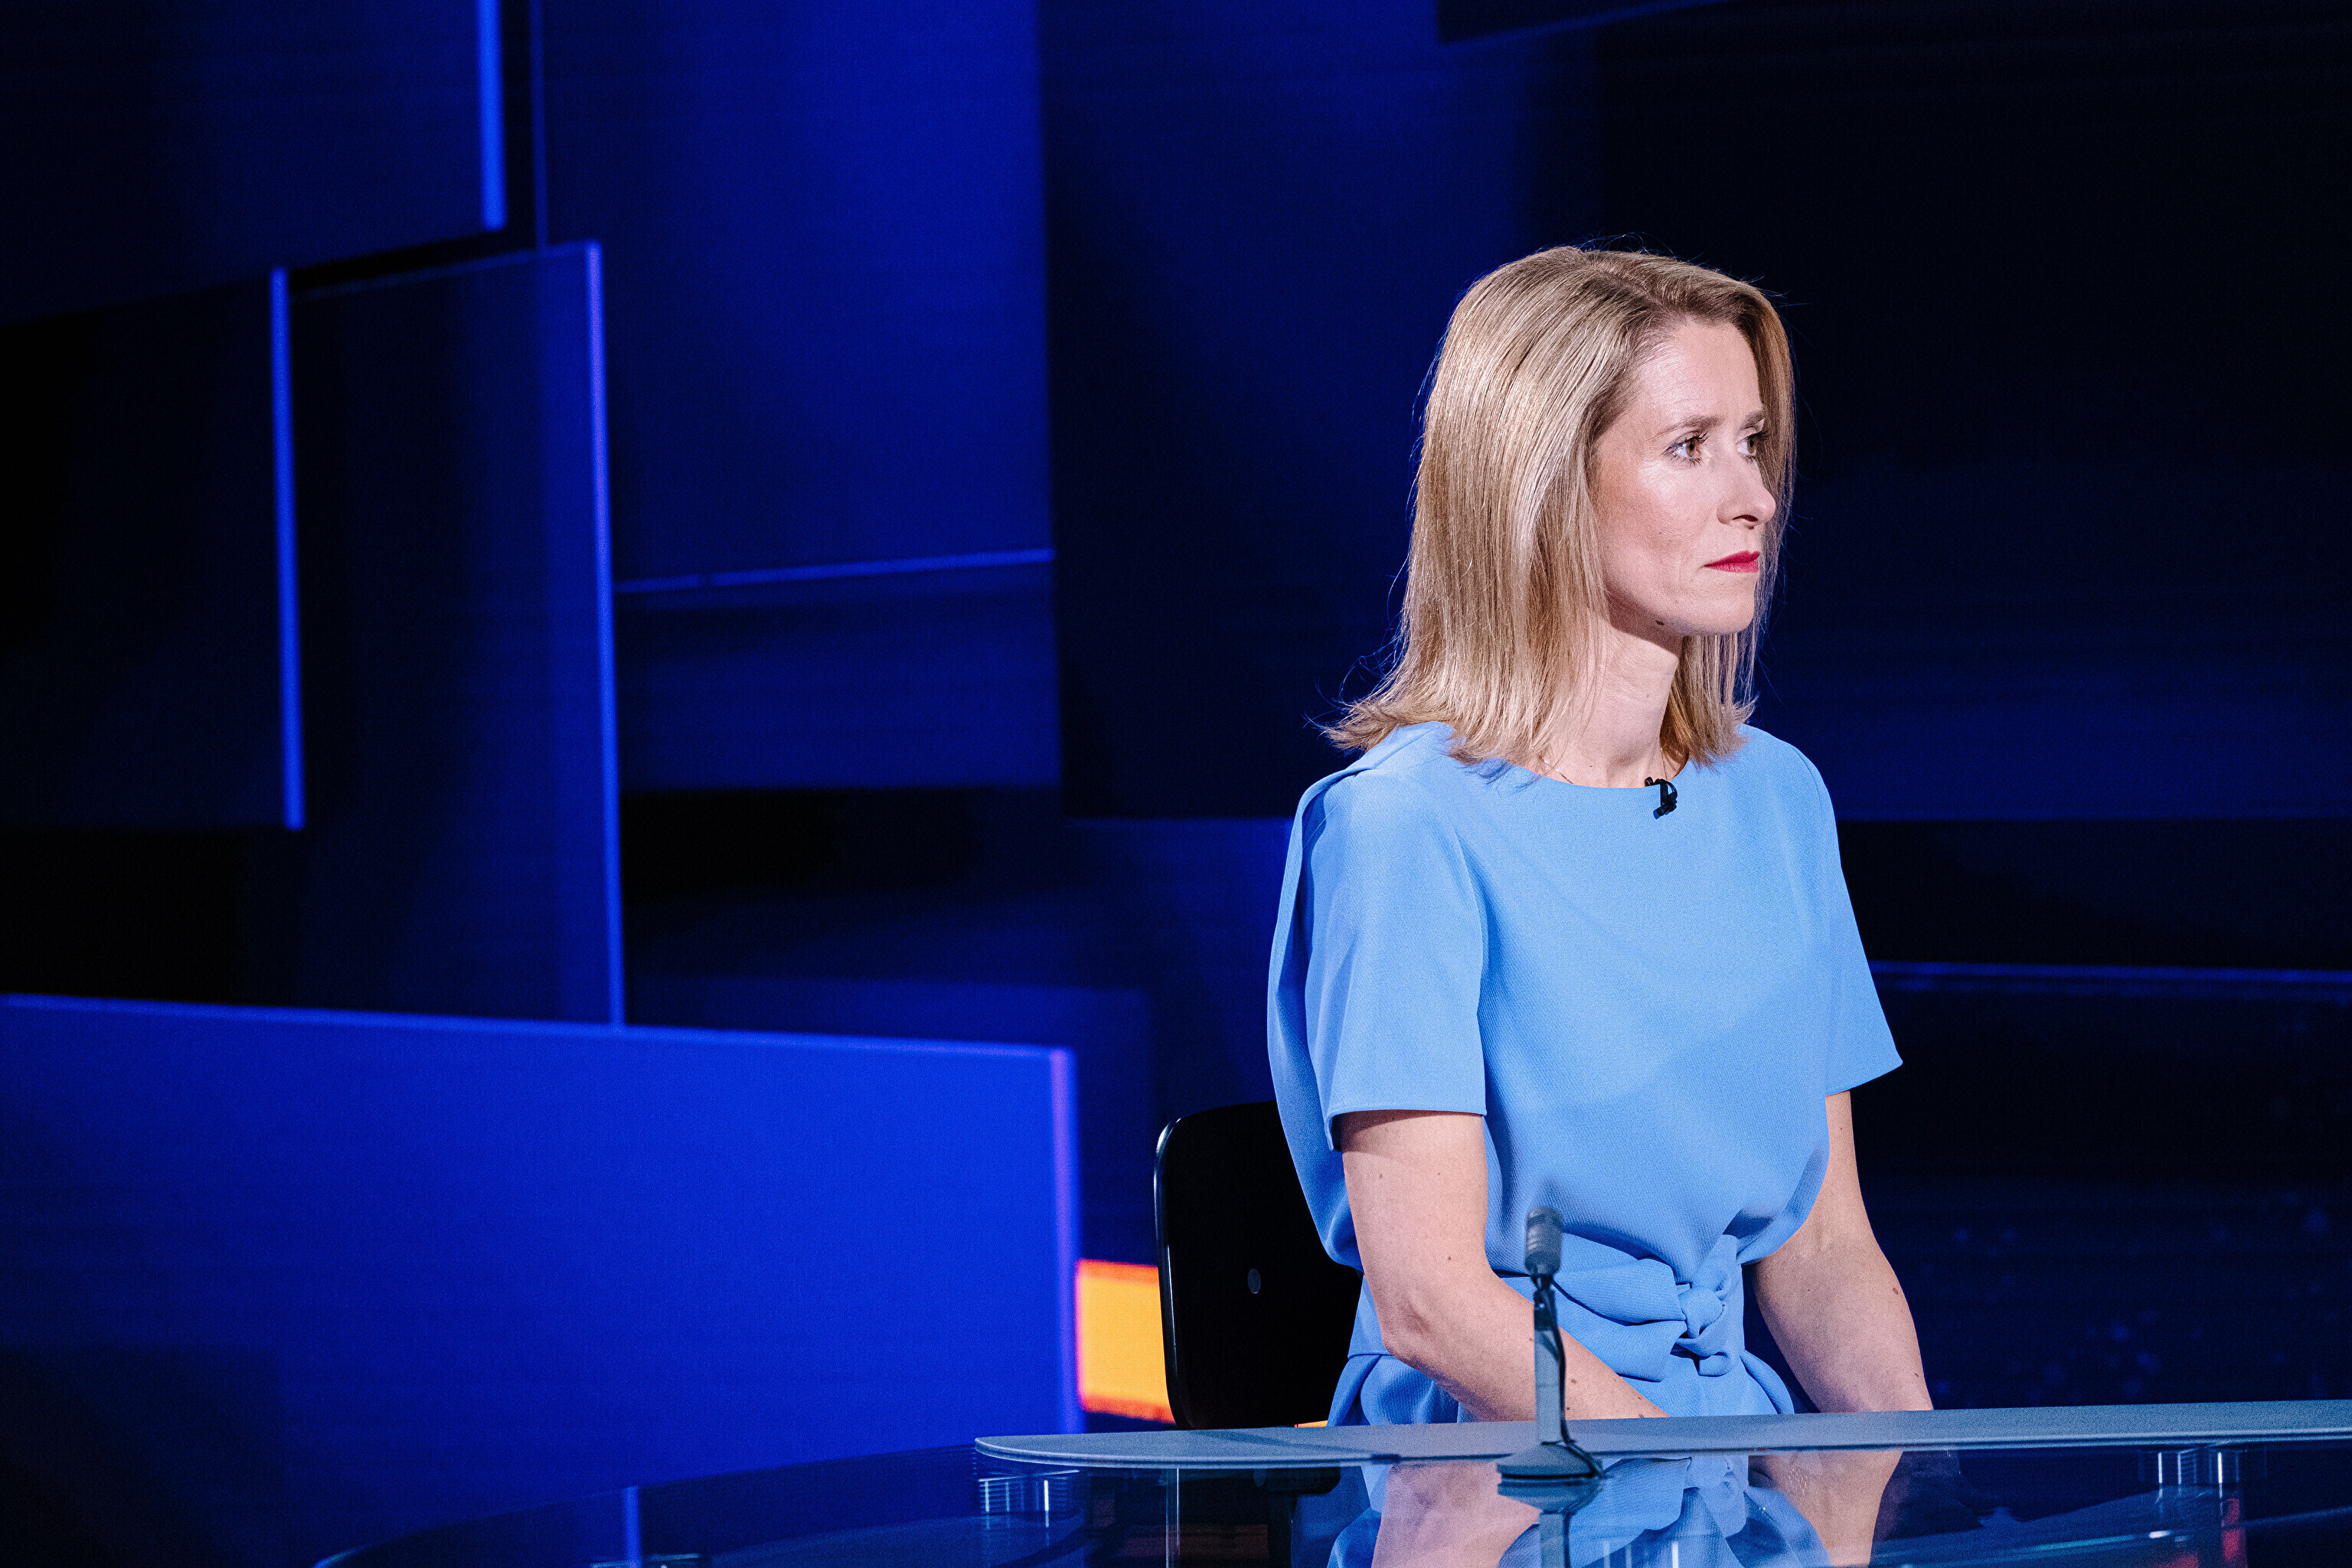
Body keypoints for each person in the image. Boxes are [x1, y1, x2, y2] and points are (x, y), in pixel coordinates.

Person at [1266, 246, 1932, 1429]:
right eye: (1690, 447)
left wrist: (1916, 1486)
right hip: (1501, 1458)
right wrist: (1685, 1487)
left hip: (1725, 1457)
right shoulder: (1405, 825)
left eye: (1752, 442)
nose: (1755, 497)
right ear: (1542, 486)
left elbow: (1825, 1249)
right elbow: (1431, 1304)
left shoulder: (1778, 799)